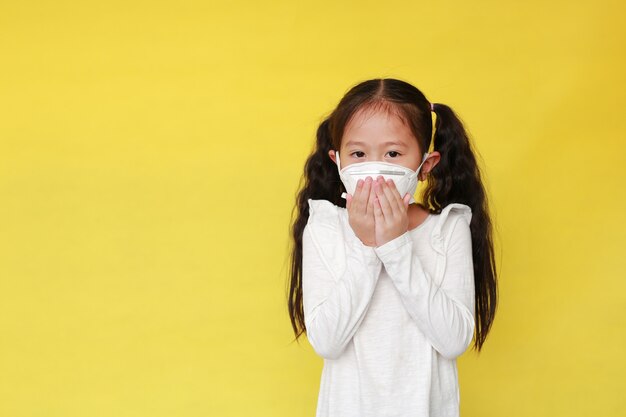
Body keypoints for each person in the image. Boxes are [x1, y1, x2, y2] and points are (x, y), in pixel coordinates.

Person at [287, 78, 498, 417]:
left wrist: (397, 246)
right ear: (338, 161)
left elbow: (454, 339)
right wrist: (368, 245)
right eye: (358, 154)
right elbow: (327, 341)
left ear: (425, 166)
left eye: (393, 153)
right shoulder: (325, 227)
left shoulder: (448, 228)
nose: (374, 167)